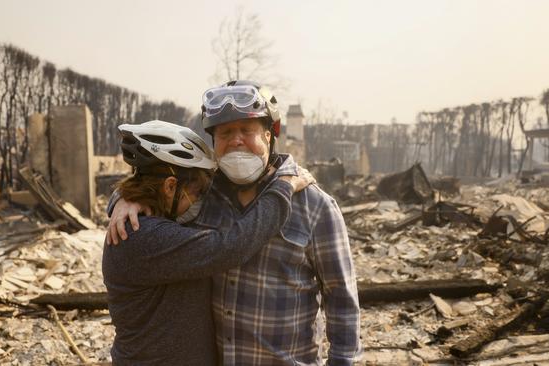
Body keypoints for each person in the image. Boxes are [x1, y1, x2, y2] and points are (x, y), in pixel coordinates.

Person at [109, 81, 362, 365]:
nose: (236, 140)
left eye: (247, 130)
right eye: (226, 133)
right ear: (214, 143)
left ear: (269, 135)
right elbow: (161, 186)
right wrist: (123, 198)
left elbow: (342, 301)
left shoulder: (315, 207)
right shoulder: (205, 197)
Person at [102, 120, 312, 366]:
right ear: (170, 187)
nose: (201, 200)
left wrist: (122, 198)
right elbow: (232, 245)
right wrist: (283, 188)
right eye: (197, 192)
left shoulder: (156, 218)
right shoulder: (142, 237)